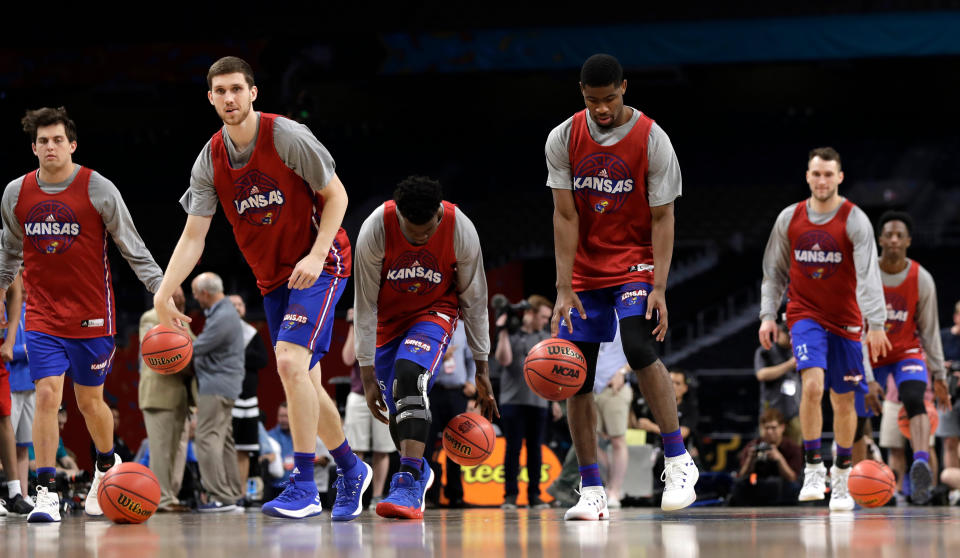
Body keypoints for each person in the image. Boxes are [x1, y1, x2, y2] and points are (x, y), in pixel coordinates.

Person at [152, 56, 369, 521]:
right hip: (273, 278)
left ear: (253, 93)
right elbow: (194, 235)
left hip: (322, 261)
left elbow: (338, 197)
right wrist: (163, 292)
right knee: (305, 376)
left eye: (237, 89)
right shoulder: (209, 159)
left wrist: (315, 254)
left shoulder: (286, 136)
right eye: (220, 91)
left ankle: (306, 485)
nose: (229, 98)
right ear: (210, 98)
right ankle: (352, 469)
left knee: (290, 362)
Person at [546, 53, 696, 519]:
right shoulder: (563, 138)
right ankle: (591, 489)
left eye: (609, 98)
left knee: (637, 344)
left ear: (625, 87)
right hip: (586, 272)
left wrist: (660, 286)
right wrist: (563, 286)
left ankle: (677, 459)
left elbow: (663, 216)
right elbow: (565, 215)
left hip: (634, 263)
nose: (602, 109)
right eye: (593, 100)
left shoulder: (652, 139)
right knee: (574, 375)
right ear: (581, 94)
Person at [0, 107, 164, 522]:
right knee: (47, 395)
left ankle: (105, 467)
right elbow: (9, 254)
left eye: (58, 140)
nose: (50, 146)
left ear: (72, 144)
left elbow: (131, 244)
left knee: (90, 402)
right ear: (33, 147)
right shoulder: (15, 193)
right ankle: (46, 492)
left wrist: (161, 289)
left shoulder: (98, 188)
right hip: (42, 315)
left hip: (93, 315)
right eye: (43, 141)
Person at [353, 175, 498, 519]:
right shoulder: (376, 229)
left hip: (436, 312)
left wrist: (481, 366)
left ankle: (406, 479)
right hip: (389, 324)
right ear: (399, 215)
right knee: (395, 409)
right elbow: (365, 304)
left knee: (410, 376)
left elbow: (475, 301)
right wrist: (367, 371)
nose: (420, 239)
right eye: (411, 232)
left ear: (438, 215)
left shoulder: (460, 229)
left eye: (427, 232)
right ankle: (418, 472)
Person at [759, 146, 890, 511]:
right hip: (804, 315)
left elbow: (868, 275)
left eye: (828, 174)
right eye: (816, 174)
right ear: (807, 176)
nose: (822, 180)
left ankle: (843, 475)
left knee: (843, 400)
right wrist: (768, 315)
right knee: (812, 386)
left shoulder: (855, 220)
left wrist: (876, 323)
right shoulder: (790, 218)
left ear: (840, 177)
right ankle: (814, 468)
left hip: (847, 320)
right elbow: (774, 272)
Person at [855, 211, 950, 504]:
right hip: (869, 352)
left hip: (906, 351)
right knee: (858, 417)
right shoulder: (864, 277)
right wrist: (869, 380)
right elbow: (856, 332)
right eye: (889, 234)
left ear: (908, 241)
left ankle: (920, 461)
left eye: (900, 235)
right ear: (880, 239)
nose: (894, 239)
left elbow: (930, 332)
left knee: (913, 396)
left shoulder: (921, 278)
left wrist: (939, 376)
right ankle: (853, 479)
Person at [190, 272, 245, 512]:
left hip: (216, 386)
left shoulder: (223, 315)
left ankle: (220, 496)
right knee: (224, 442)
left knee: (206, 438)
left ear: (204, 293)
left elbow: (197, 347)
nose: (194, 299)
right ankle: (232, 493)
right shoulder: (224, 312)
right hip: (225, 385)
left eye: (195, 293)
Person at [139, 285, 194, 513]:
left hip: (181, 396)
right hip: (158, 395)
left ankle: (171, 495)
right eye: (175, 295)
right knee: (161, 449)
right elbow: (155, 349)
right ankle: (160, 499)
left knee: (177, 451)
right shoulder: (151, 318)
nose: (180, 299)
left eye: (181, 296)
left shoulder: (184, 321)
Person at [495, 294, 553, 510]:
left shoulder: (546, 338)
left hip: (538, 401)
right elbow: (504, 360)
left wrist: (554, 401)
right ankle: (510, 496)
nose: (545, 321)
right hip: (512, 400)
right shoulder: (511, 334)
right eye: (543, 317)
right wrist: (501, 331)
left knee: (535, 449)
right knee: (513, 449)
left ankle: (534, 495)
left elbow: (552, 373)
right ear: (530, 313)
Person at [342, 307, 395, 508]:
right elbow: (347, 358)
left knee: (382, 449)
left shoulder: (387, 328)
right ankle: (354, 494)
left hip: (384, 396)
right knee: (356, 449)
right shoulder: (360, 329)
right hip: (358, 395)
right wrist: (352, 325)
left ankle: (377, 496)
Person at [425, 317, 477, 508]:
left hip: (457, 393)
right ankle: (428, 495)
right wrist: (441, 357)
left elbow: (472, 359)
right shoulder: (430, 325)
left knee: (457, 446)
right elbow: (421, 356)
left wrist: (472, 381)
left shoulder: (464, 328)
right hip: (433, 392)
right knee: (427, 444)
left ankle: (455, 495)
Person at [228, 293, 269, 503]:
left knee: (245, 448)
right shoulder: (219, 332)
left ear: (244, 308)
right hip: (227, 399)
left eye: (239, 304)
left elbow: (263, 360)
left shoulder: (252, 333)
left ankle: (241, 493)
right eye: (231, 304)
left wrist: (237, 356)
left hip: (249, 401)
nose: (236, 307)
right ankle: (226, 492)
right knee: (226, 448)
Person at [591, 324, 633, 509]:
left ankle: (615, 490)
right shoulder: (590, 313)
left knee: (617, 441)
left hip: (615, 388)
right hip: (590, 388)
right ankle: (608, 484)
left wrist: (623, 372)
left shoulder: (624, 315)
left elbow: (640, 350)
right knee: (589, 441)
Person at [1, 272, 32, 515]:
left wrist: (12, 342)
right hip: (14, 381)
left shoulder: (35, 312)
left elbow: (13, 292)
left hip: (29, 383)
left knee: (19, 440)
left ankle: (18, 492)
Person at [729, 409, 802, 506]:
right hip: (758, 487)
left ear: (782, 427)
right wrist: (750, 460)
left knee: (794, 487)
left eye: (773, 428)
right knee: (738, 486)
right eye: (766, 428)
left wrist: (779, 459)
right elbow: (742, 475)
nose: (770, 432)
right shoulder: (753, 446)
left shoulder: (792, 448)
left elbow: (793, 478)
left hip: (783, 489)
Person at [754, 322, 802, 444]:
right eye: (788, 336)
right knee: (769, 447)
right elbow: (761, 374)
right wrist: (789, 365)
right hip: (772, 411)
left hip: (793, 410)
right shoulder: (766, 351)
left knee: (795, 448)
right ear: (779, 333)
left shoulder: (796, 351)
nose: (791, 340)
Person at [937, 300, 960, 470]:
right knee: (950, 440)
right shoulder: (943, 336)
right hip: (947, 393)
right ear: (955, 317)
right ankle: (953, 488)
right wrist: (946, 368)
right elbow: (932, 361)